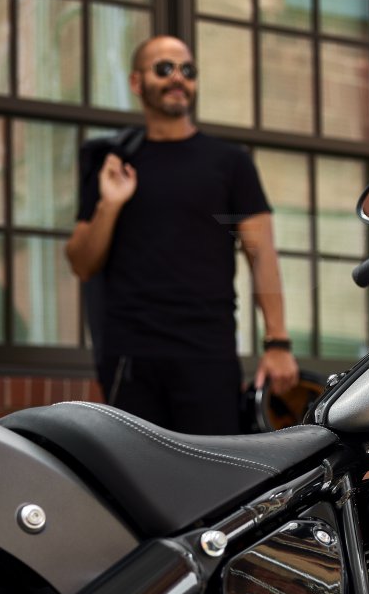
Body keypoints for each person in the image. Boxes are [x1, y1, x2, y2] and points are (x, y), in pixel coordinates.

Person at [66, 35, 299, 435]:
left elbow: (261, 254)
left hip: (207, 356)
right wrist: (110, 203)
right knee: (136, 485)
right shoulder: (115, 163)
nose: (178, 78)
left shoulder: (230, 163)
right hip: (130, 359)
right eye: (164, 68)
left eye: (187, 70)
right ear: (137, 82)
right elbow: (82, 262)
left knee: (215, 486)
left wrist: (277, 343)